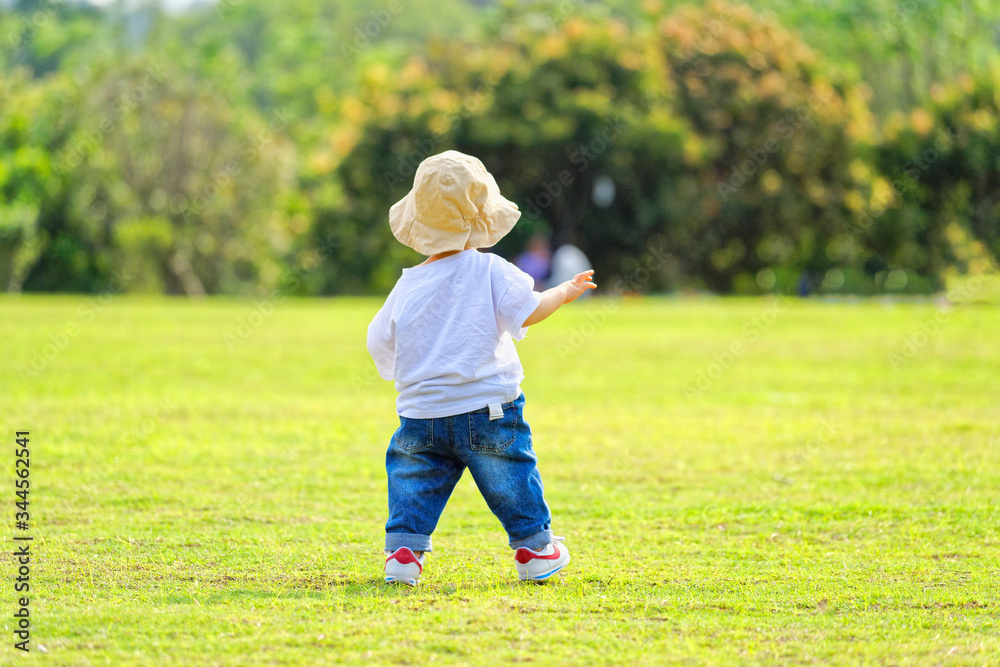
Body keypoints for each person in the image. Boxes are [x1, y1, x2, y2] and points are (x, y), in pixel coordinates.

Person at [366, 150, 596, 586]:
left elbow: (378, 339)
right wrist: (564, 292)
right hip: (489, 410)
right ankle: (534, 549)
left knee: (414, 482)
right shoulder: (491, 269)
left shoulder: (407, 285)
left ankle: (403, 553)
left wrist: (398, 367)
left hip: (421, 415)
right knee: (511, 476)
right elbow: (529, 309)